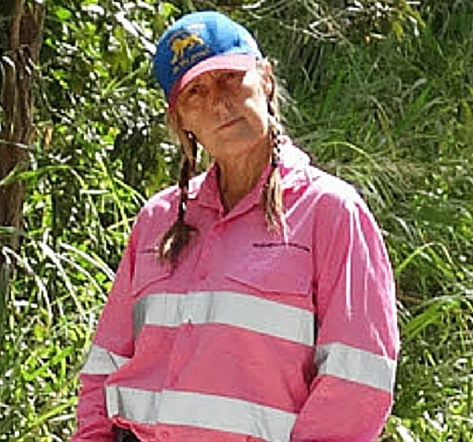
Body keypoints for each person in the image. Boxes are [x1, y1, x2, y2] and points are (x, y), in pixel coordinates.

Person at [72, 10, 399, 442]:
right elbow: (105, 367)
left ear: (264, 79)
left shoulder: (329, 212)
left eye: (230, 78)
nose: (219, 103)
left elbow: (356, 381)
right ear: (182, 121)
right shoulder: (158, 219)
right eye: (196, 92)